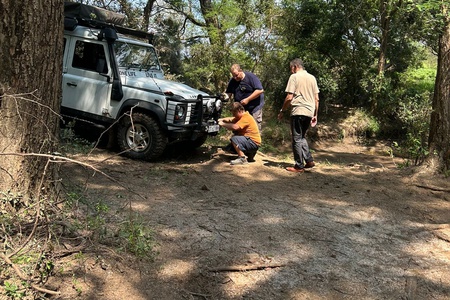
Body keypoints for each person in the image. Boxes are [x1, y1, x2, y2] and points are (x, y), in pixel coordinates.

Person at [278, 58, 319, 173]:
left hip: (298, 110)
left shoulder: (294, 77)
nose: (291, 71)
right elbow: (317, 99)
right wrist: (315, 114)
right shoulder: (312, 78)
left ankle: (299, 166)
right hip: (310, 111)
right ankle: (309, 160)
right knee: (301, 137)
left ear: (295, 66)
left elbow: (289, 97)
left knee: (296, 138)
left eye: (291, 68)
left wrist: (282, 110)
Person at [225, 64, 264, 132]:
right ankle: (239, 141)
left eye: (236, 75)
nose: (235, 78)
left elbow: (260, 90)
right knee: (239, 128)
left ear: (240, 71)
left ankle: (253, 142)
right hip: (241, 110)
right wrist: (224, 98)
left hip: (254, 108)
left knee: (253, 129)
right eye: (233, 76)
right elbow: (228, 93)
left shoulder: (251, 77)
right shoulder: (233, 81)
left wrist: (248, 99)